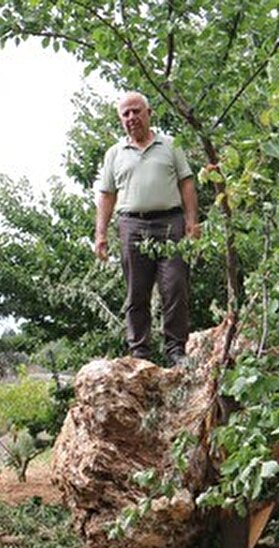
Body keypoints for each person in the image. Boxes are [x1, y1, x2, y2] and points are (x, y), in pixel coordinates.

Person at [94, 91, 201, 366]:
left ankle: (176, 350)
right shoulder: (115, 154)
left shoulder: (170, 145)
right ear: (121, 120)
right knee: (136, 292)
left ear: (148, 112)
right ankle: (139, 353)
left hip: (170, 224)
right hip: (132, 225)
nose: (132, 118)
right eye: (125, 114)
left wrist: (192, 222)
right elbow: (106, 195)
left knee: (175, 287)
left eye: (136, 111)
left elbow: (186, 182)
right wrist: (101, 234)